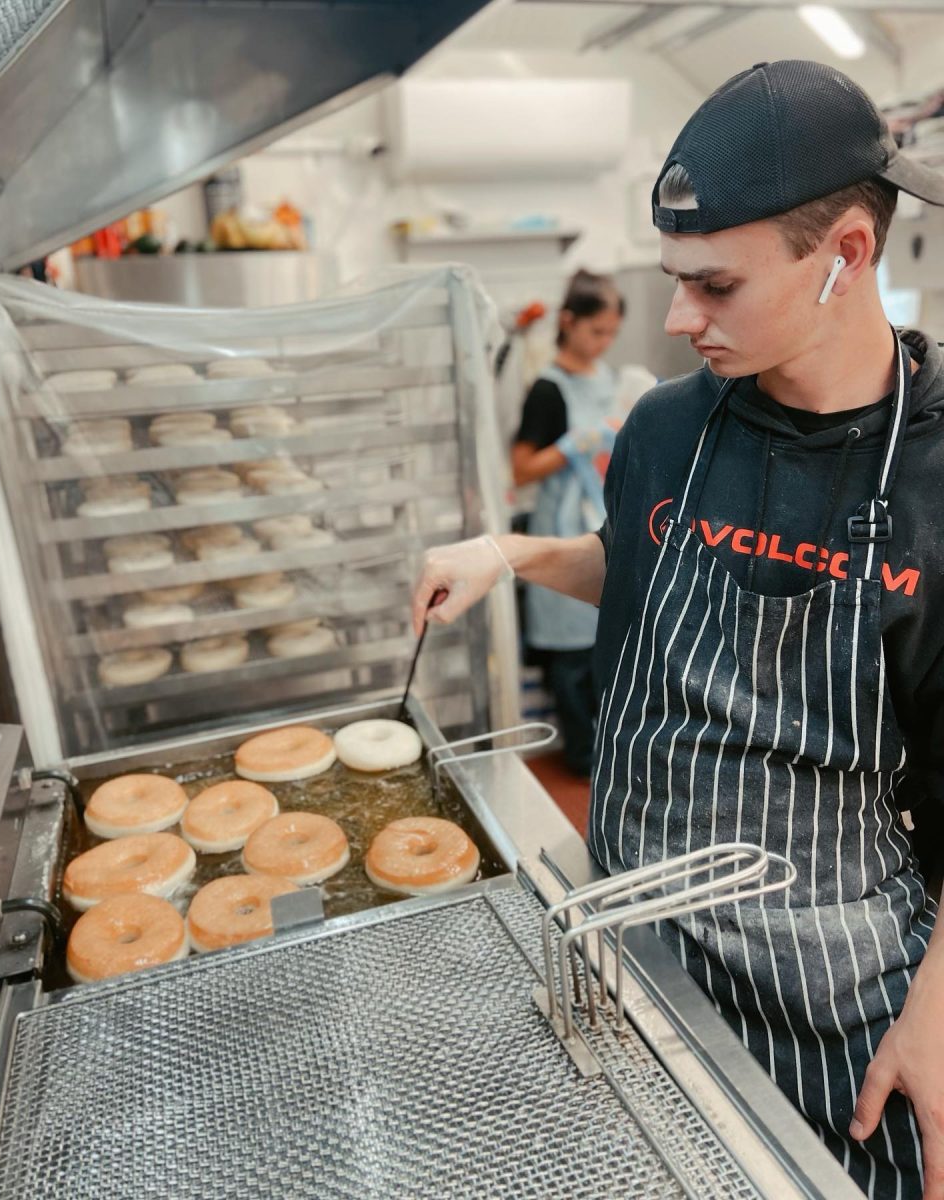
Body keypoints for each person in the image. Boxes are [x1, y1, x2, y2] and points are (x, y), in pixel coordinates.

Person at [414, 61, 944, 1200]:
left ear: (844, 255)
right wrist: (511, 553)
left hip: (837, 994)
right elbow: (649, 565)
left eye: (714, 284)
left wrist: (939, 1015)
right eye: (671, 279)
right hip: (632, 942)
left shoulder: (937, 479)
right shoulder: (668, 424)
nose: (675, 317)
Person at [511, 270, 624, 776]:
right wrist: (570, 446)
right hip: (559, 524)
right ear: (568, 323)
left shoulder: (607, 380)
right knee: (571, 654)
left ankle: (610, 750)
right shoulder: (548, 390)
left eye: (611, 333)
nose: (603, 343)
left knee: (606, 642)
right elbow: (521, 467)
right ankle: (581, 757)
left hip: (602, 519)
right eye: (596, 332)